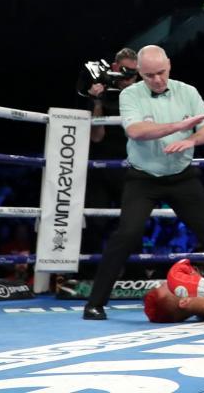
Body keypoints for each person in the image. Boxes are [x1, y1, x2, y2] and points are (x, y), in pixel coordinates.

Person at [83, 45, 204, 320]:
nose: (157, 80)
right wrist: (178, 126)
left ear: (169, 65)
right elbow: (135, 131)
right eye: (149, 75)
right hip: (143, 178)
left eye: (161, 72)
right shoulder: (130, 94)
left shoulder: (187, 91)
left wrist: (190, 139)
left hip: (182, 176)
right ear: (140, 74)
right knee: (126, 235)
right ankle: (94, 303)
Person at [81, 48, 139, 273]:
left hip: (132, 168)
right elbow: (97, 136)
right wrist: (96, 102)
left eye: (134, 73)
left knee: (133, 222)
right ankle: (87, 275)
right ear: (115, 68)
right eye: (125, 72)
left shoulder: (143, 95)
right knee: (95, 221)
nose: (128, 78)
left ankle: (136, 274)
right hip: (102, 167)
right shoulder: (101, 91)